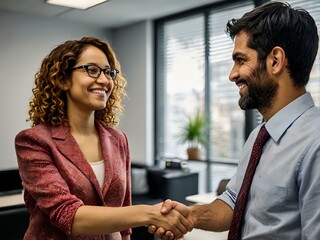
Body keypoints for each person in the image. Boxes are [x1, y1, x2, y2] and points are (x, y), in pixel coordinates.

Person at [150, 1, 320, 239]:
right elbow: (233, 202)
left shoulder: (315, 143)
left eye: (241, 60)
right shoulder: (259, 137)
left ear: (275, 61)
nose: (232, 74)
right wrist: (190, 215)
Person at [15, 36, 193, 240]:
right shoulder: (33, 141)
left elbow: (123, 213)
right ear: (63, 79)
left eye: (109, 72)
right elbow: (68, 215)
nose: (104, 80)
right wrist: (150, 213)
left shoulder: (118, 139)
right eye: (92, 70)